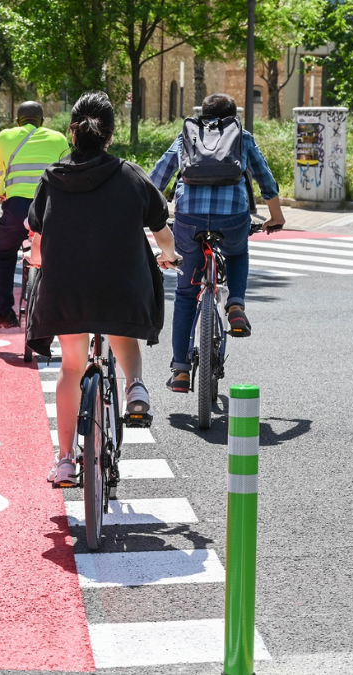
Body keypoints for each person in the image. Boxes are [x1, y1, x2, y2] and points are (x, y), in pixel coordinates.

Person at [25, 92, 179, 486]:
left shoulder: (52, 177)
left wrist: (38, 260)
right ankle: (137, 389)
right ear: (110, 135)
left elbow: (37, 239)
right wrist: (169, 255)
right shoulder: (130, 175)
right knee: (120, 328)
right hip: (121, 289)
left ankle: (64, 460)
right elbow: (161, 229)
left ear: (72, 132)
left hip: (67, 292)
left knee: (71, 367)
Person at [148, 93, 285, 394]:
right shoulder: (242, 136)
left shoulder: (186, 135)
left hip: (188, 220)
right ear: (233, 116)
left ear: (201, 113)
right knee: (237, 252)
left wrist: (148, 218)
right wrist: (275, 217)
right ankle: (235, 304)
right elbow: (265, 179)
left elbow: (156, 180)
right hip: (233, 217)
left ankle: (181, 371)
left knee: (186, 294)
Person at [0, 101, 69, 329]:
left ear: (18, 121)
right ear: (42, 122)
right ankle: (58, 308)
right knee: (57, 255)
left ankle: (4, 310)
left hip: (17, 208)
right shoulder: (58, 139)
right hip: (50, 208)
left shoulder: (5, 136)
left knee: (1, 253)